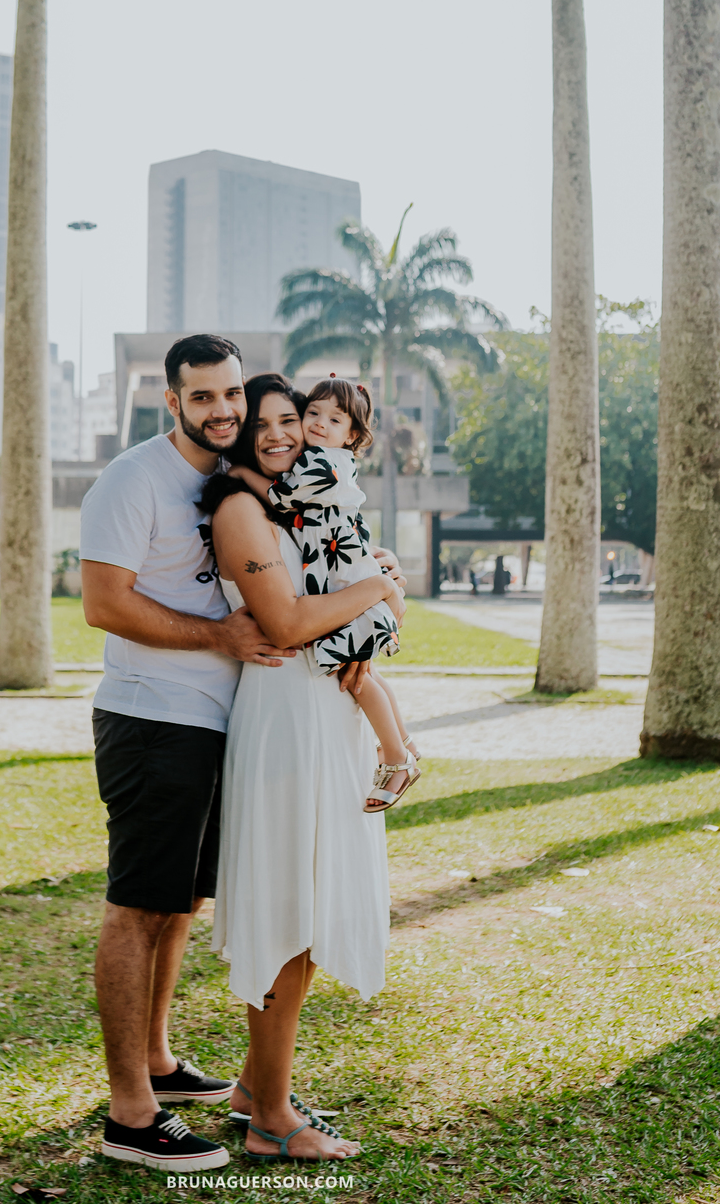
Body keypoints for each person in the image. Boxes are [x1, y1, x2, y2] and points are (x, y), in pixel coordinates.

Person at [79, 334, 297, 1174]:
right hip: (150, 719)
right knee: (138, 907)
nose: (222, 411)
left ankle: (160, 1067)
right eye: (202, 398)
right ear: (171, 402)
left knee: (181, 904)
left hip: (212, 723)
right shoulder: (132, 481)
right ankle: (130, 1114)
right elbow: (104, 604)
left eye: (231, 395)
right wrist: (219, 637)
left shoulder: (233, 480)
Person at [204, 373, 408, 1164]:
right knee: (288, 911)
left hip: (326, 711)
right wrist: (373, 588)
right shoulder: (242, 509)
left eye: (295, 420)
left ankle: (260, 1089)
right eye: (267, 422)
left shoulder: (308, 497)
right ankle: (270, 1122)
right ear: (243, 431)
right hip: (285, 717)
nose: (282, 433)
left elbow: (376, 606)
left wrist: (382, 589)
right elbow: (288, 622)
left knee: (312, 909)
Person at [230, 375, 418, 811]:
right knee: (363, 675)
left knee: (351, 676)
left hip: (348, 583)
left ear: (352, 434)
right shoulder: (322, 459)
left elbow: (281, 500)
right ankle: (403, 741)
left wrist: (239, 473)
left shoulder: (322, 464)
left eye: (332, 419)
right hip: (349, 577)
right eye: (312, 413)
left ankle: (396, 756)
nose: (317, 424)